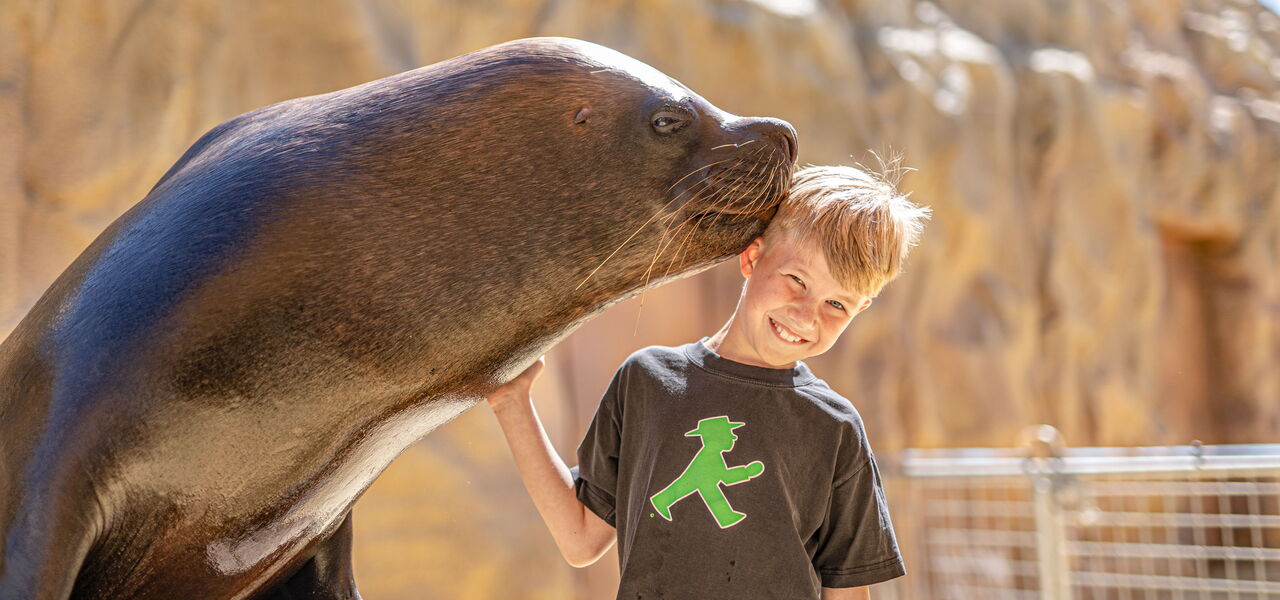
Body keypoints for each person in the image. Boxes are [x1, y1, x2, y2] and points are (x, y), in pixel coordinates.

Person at [485, 159, 931, 599]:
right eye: (798, 280)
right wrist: (512, 402)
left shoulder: (835, 427)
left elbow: (848, 593)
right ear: (753, 256)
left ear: (860, 310)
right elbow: (581, 539)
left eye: (838, 305)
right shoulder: (646, 381)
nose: (806, 315)